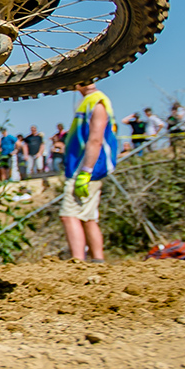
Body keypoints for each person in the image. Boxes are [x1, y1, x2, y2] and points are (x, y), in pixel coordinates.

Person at [61, 81, 118, 262]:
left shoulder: (97, 102)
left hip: (86, 168)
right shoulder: (92, 101)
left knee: (69, 215)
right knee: (88, 217)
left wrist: (85, 172)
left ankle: (78, 261)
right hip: (88, 167)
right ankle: (98, 261)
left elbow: (95, 139)